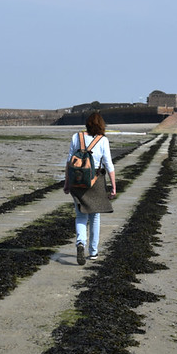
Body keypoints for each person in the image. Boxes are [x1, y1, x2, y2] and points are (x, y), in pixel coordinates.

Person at [63, 112, 116, 265]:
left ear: (87, 124)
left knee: (80, 215)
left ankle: (80, 243)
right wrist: (113, 186)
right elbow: (109, 165)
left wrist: (66, 183)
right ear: (102, 125)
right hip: (96, 181)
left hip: (77, 181)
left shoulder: (76, 137)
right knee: (95, 217)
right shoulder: (103, 140)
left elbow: (69, 162)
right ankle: (93, 252)